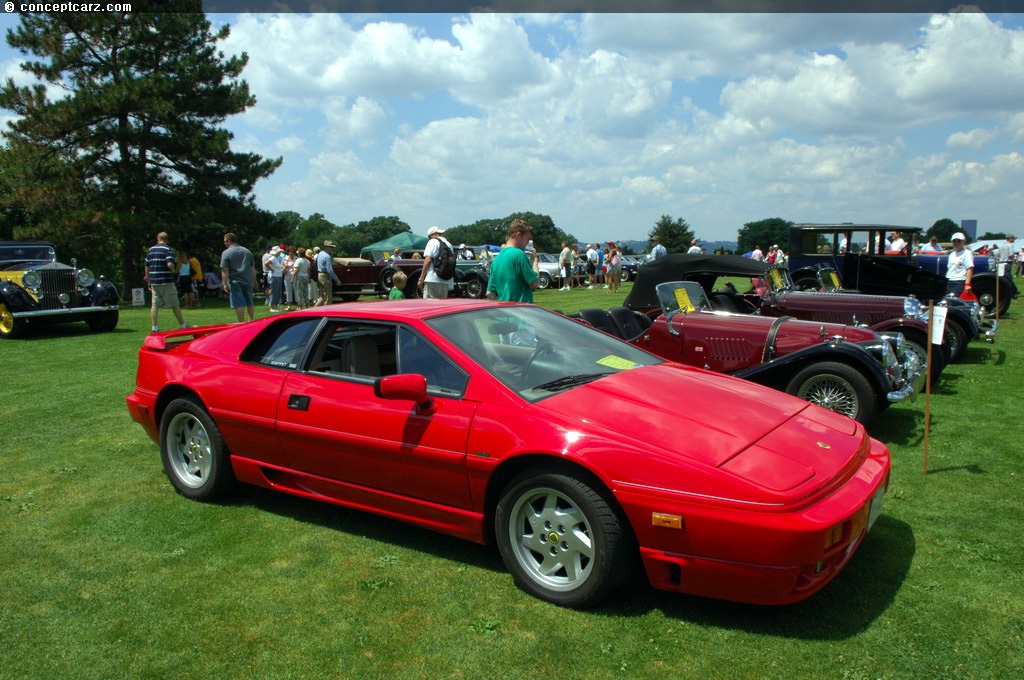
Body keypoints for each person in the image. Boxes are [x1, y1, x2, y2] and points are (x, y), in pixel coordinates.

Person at [144, 231, 192, 333]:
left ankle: (155, 327)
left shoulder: (150, 250)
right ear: (167, 240)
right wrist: (174, 271)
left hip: (154, 280)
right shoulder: (168, 249)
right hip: (165, 279)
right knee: (175, 303)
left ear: (157, 239)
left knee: (155, 304)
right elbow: (170, 264)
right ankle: (183, 325)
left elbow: (146, 266)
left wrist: (148, 279)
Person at [486, 218, 540, 302]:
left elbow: (489, 293)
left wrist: (502, 307)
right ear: (518, 235)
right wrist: (535, 261)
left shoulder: (496, 260)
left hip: (504, 313)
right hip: (522, 312)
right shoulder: (519, 255)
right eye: (528, 239)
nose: (527, 243)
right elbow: (534, 283)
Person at [220, 232, 257, 322]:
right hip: (248, 279)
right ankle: (251, 320)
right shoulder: (247, 251)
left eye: (225, 241)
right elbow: (252, 267)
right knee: (249, 301)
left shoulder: (226, 253)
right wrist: (254, 280)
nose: (224, 243)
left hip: (235, 280)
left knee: (238, 303)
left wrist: (224, 283)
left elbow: (225, 269)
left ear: (229, 241)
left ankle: (241, 323)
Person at [418, 225, 455, 299]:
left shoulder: (433, 241)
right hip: (445, 281)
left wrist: (421, 279)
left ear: (434, 235)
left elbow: (428, 259)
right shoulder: (449, 245)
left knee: (429, 307)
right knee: (441, 308)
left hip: (432, 279)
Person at [946, 232, 974, 297]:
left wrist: (967, 284)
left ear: (963, 242)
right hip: (949, 281)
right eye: (954, 241)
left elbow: (969, 269)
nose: (956, 243)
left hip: (959, 282)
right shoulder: (951, 254)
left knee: (955, 303)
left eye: (959, 241)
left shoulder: (967, 253)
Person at [314, 240, 341, 306]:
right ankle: (327, 312)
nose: (332, 249)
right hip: (325, 276)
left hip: (319, 275)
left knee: (322, 297)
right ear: (327, 247)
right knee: (328, 297)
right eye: (331, 247)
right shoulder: (327, 257)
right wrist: (337, 279)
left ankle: (313, 310)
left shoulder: (320, 254)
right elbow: (329, 270)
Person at [267, 245, 284, 312]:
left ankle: (276, 306)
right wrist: (271, 269)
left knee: (277, 291)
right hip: (274, 276)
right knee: (274, 291)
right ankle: (272, 306)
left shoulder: (277, 258)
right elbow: (266, 263)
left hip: (278, 276)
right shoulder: (273, 258)